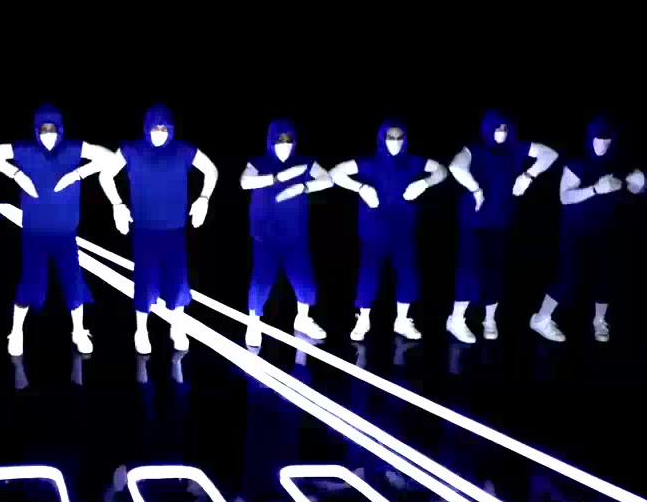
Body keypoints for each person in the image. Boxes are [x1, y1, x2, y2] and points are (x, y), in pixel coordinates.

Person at [0, 103, 113, 356]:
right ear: (36, 129)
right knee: (29, 280)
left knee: (73, 280)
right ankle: (16, 331)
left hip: (65, 231)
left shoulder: (73, 148)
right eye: (43, 128)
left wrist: (78, 174)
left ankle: (79, 330)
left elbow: (108, 156)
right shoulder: (25, 149)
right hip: (34, 231)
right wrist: (16, 173)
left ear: (60, 129)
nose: (47, 133)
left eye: (52, 128)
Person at [97, 104, 218, 354]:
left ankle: (177, 326)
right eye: (155, 127)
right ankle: (141, 329)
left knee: (178, 279)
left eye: (164, 128)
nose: (159, 132)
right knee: (145, 280)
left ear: (171, 128)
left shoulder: (183, 150)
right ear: (146, 127)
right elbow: (105, 175)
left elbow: (211, 170)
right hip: (144, 229)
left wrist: (204, 198)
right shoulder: (131, 149)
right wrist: (117, 205)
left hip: (175, 229)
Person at [330, 121, 448, 342]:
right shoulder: (370, 163)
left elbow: (442, 170)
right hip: (373, 228)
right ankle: (364, 318)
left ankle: (402, 320)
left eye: (399, 137)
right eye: (390, 137)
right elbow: (335, 173)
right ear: (381, 139)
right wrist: (360, 188)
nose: (395, 142)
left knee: (407, 272)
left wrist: (425, 183)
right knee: (369, 272)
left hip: (404, 227)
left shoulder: (413, 161)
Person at [447, 110, 558, 343]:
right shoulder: (475, 149)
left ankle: (489, 319)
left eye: (505, 128)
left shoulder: (516, 148)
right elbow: (456, 167)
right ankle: (456, 320)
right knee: (469, 269)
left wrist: (528, 175)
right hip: (474, 220)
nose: (501, 133)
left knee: (496, 270)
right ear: (488, 129)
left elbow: (550, 154)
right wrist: (476, 189)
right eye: (497, 128)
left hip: (501, 219)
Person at [529, 118, 643, 343]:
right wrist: (595, 189)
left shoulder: (620, 164)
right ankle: (541, 319)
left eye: (607, 139)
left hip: (607, 230)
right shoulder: (577, 164)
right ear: (590, 138)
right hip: (575, 232)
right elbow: (564, 197)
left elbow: (633, 188)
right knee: (567, 277)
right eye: (598, 138)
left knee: (605, 276)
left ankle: (599, 321)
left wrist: (639, 185)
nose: (602, 144)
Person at [241, 120, 334, 347]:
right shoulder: (259, 162)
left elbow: (328, 179)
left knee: (304, 279)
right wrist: (277, 178)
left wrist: (304, 187)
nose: (284, 144)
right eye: (279, 139)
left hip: (296, 234)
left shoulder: (304, 162)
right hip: (265, 234)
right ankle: (254, 322)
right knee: (261, 280)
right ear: (270, 140)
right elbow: (245, 182)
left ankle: (303, 319)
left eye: (288, 139)